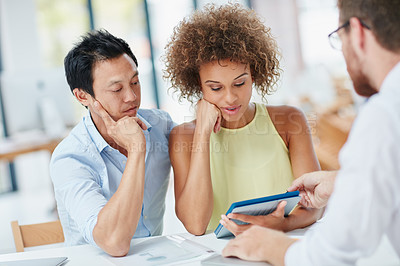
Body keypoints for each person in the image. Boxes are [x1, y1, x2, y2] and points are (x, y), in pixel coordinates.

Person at [222, 0, 400, 264]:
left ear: (358, 32)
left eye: (339, 38)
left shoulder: (384, 115)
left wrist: (270, 246)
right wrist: (342, 182)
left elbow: (333, 253)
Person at [163, 3, 323, 236]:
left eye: (240, 83)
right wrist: (203, 133)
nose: (230, 98)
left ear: (254, 74)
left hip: (285, 248)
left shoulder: (289, 121)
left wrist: (282, 225)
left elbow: (313, 205)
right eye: (216, 88)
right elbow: (196, 225)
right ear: (198, 85)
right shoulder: (184, 136)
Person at [50, 30, 175, 256]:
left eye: (135, 82)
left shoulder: (161, 125)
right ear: (82, 97)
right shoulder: (70, 158)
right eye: (117, 89)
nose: (132, 97)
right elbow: (113, 243)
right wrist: (136, 149)